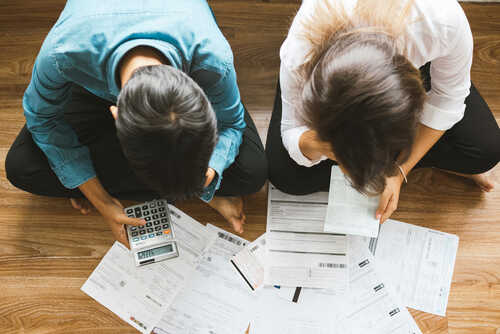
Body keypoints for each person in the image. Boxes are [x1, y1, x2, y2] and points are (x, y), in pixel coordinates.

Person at [5, 0, 267, 246]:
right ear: (116, 115)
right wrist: (103, 202)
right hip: (88, 81)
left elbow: (232, 123)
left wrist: (204, 180)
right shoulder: (62, 54)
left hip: (148, 72)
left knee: (253, 171)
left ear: (200, 97)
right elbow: (42, 118)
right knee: (21, 167)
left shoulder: (213, 60)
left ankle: (162, 179)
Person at [266, 0, 500, 223]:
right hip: (321, 61)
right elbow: (292, 129)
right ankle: (440, 159)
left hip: (417, 55)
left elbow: (449, 97)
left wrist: (399, 171)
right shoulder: (300, 52)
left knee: (486, 149)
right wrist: (329, 147)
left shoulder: (441, 21)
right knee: (284, 174)